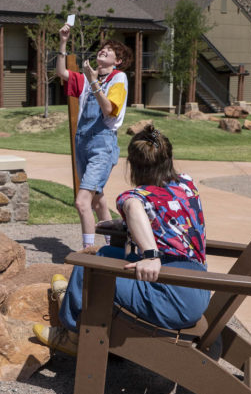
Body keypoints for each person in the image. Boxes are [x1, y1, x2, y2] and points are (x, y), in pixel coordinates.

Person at [33, 125, 209, 355]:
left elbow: (134, 206)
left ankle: (73, 335)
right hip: (196, 289)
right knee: (103, 256)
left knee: (89, 270)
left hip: (172, 299)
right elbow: (167, 219)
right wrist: (126, 226)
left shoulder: (134, 198)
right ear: (169, 159)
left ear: (133, 167)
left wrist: (151, 256)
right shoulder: (186, 184)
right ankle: (73, 298)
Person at [55, 27, 133, 253]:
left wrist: (95, 82)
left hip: (102, 143)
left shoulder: (118, 78)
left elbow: (109, 110)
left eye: (110, 51)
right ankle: (114, 248)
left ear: (117, 61)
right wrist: (63, 42)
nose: (104, 51)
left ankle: (87, 252)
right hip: (81, 143)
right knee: (98, 201)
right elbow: (62, 72)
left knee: (82, 202)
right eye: (103, 48)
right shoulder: (87, 78)